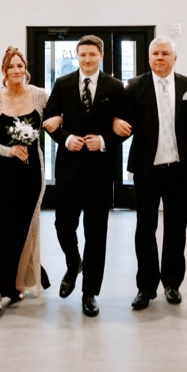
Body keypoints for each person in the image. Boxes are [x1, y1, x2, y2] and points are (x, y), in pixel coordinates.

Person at [123, 39, 187, 310]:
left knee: (177, 228)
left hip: (180, 169)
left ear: (175, 58)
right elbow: (123, 119)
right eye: (155, 53)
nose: (159, 57)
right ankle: (145, 287)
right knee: (145, 229)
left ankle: (172, 283)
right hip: (146, 170)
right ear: (149, 57)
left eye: (165, 53)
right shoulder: (135, 87)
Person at [40, 36, 130, 318]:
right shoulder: (63, 84)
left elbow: (126, 126)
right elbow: (49, 119)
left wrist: (103, 140)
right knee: (63, 225)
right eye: (82, 55)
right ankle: (72, 261)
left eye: (92, 54)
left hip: (100, 172)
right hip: (68, 168)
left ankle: (90, 292)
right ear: (76, 56)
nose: (87, 60)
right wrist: (65, 139)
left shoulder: (115, 87)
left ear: (101, 55)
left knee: (96, 233)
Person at [0, 48, 49, 311]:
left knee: (21, 230)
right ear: (4, 72)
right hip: (3, 173)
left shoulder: (40, 96)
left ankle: (15, 284)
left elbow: (54, 121)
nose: (16, 71)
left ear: (25, 68)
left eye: (20, 66)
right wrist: (9, 150)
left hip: (31, 174)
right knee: (2, 229)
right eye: (11, 67)